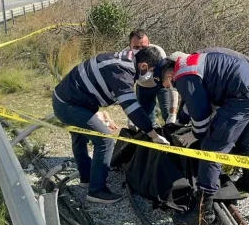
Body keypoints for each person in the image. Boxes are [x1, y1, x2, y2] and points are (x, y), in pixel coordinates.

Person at [154, 50, 249, 225]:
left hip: (241, 97)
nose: (170, 88)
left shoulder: (183, 76)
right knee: (246, 139)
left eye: (167, 85)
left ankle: (202, 211)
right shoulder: (188, 64)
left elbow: (201, 116)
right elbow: (194, 104)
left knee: (211, 147)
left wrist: (194, 135)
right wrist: (179, 123)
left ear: (169, 75)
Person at [52, 46, 170, 204]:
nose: (152, 77)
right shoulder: (122, 71)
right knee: (105, 139)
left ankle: (87, 178)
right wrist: (153, 135)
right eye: (152, 72)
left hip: (71, 99)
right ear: (144, 66)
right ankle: (97, 190)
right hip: (69, 105)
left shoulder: (126, 59)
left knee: (80, 136)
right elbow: (132, 108)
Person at [123, 29, 179, 128]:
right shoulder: (125, 56)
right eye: (136, 47)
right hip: (142, 88)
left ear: (149, 43)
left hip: (161, 86)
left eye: (144, 47)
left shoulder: (158, 52)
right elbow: (127, 87)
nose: (140, 50)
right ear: (130, 45)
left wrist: (173, 113)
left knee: (168, 118)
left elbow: (171, 82)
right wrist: (131, 115)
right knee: (147, 121)